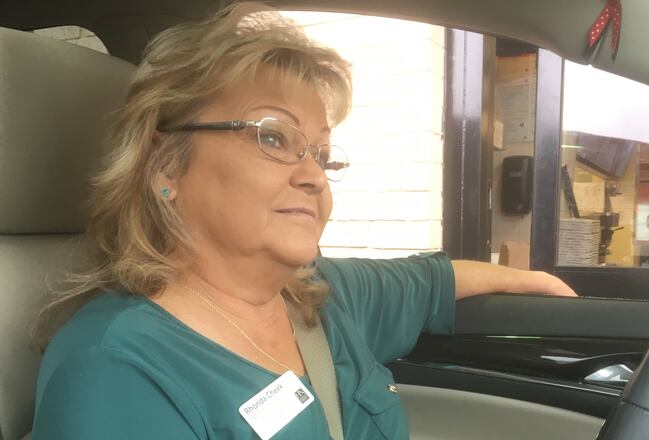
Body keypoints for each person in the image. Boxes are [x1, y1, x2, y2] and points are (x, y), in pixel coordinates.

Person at [30, 3, 575, 439]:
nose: (314, 175)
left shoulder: (321, 293)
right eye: (274, 137)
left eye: (321, 153)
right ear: (163, 165)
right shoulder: (115, 369)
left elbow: (433, 281)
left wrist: (534, 282)